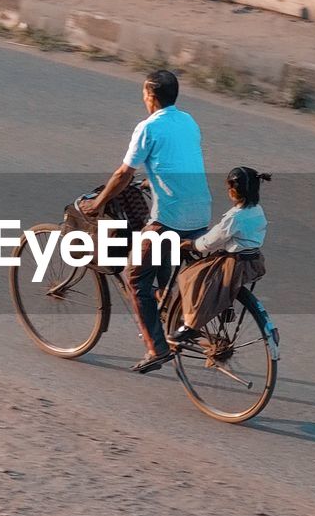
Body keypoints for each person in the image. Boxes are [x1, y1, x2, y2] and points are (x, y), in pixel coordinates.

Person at [83, 69, 211, 374]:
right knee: (164, 273)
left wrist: (98, 202)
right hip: (201, 213)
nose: (143, 97)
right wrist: (152, 182)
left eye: (144, 92)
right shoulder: (189, 121)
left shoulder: (147, 128)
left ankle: (156, 348)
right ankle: (177, 319)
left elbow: (124, 174)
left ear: (150, 96)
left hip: (171, 219)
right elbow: (176, 160)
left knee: (136, 275)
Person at [170, 166, 270, 345]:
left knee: (190, 277)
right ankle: (224, 306)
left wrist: (192, 244)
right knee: (211, 281)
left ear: (233, 191)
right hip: (253, 261)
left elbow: (212, 240)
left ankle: (190, 326)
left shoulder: (235, 216)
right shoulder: (257, 210)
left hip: (234, 263)